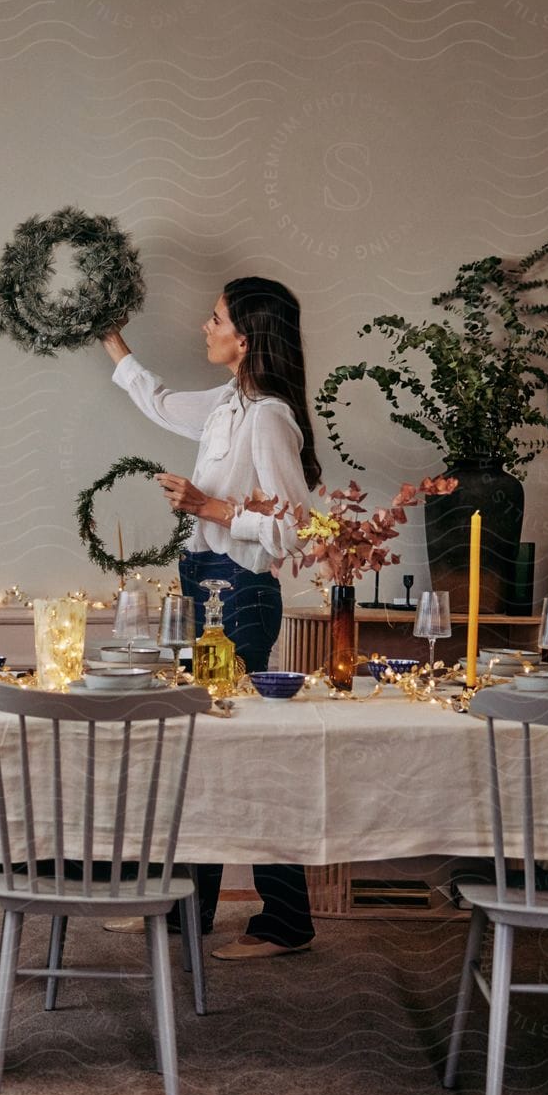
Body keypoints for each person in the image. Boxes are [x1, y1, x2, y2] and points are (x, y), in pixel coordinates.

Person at [98, 277, 322, 959]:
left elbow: (300, 529)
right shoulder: (229, 403)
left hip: (244, 596)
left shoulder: (270, 417)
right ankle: (182, 911)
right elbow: (159, 401)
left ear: (246, 337)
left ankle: (285, 922)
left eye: (217, 316)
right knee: (202, 754)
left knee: (242, 758)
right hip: (205, 587)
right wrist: (108, 334)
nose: (205, 324)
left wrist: (211, 508)